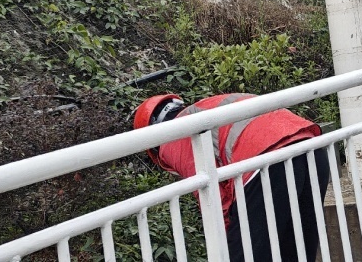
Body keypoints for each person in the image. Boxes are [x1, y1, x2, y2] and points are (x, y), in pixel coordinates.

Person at [134, 93, 330, 262]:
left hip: (266, 161)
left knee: (244, 254)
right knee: (296, 250)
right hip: (310, 147)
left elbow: (212, 195)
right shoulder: (206, 107)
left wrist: (227, 233)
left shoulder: (173, 139)